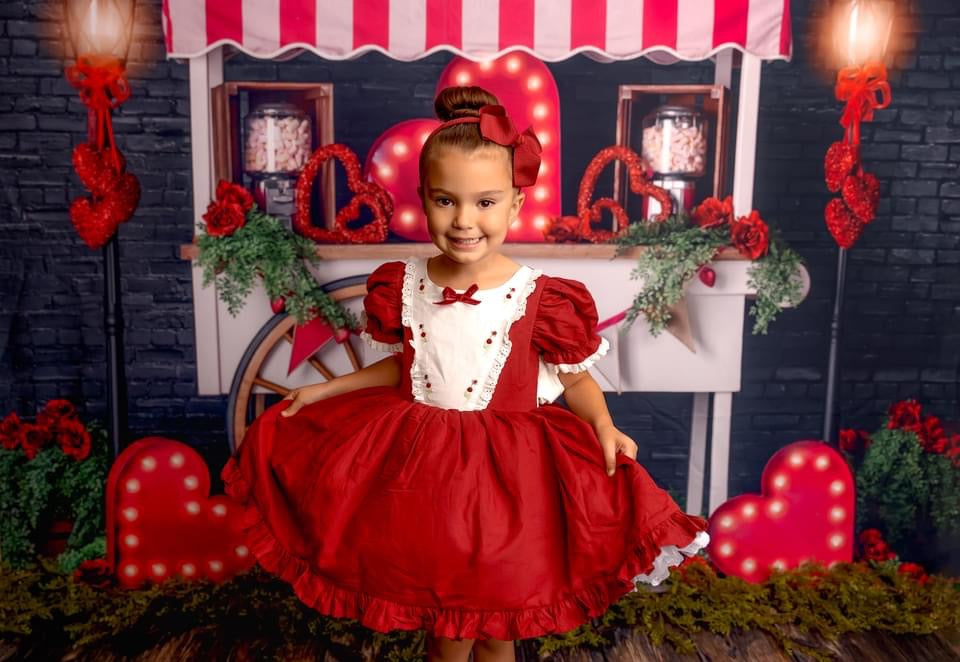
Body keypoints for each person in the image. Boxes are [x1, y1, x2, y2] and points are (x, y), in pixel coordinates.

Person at [221, 85, 710, 662]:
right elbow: (405, 367)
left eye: (484, 202)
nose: (463, 221)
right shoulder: (407, 284)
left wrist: (604, 426)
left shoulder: (539, 296)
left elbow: (575, 377)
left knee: (498, 622)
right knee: (448, 623)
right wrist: (326, 388)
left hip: (510, 479)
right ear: (423, 199)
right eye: (445, 200)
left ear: (515, 204)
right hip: (427, 475)